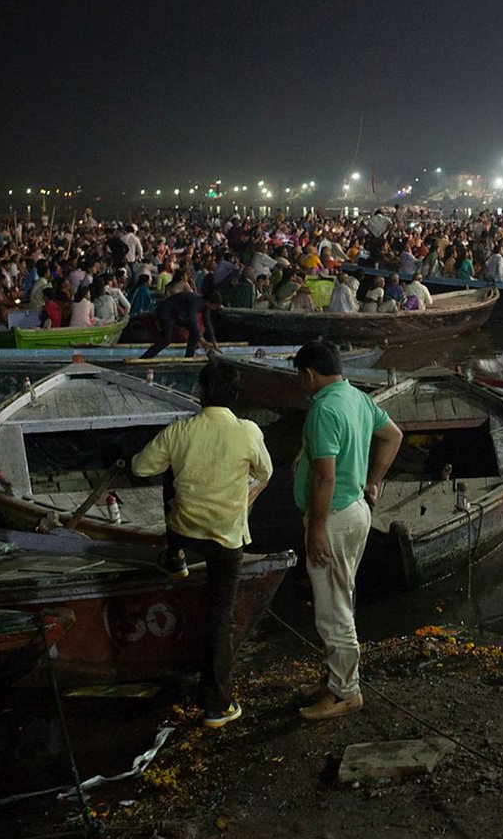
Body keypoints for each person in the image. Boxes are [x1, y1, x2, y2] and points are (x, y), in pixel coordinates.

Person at [130, 360, 272, 728]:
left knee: (168, 475)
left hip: (184, 530)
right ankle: (216, 706)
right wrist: (245, 496)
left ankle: (175, 556)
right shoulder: (248, 431)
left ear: (201, 392)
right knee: (220, 619)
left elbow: (140, 467)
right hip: (226, 538)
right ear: (235, 395)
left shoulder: (180, 431)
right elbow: (265, 473)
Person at [292, 340, 404, 720]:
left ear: (308, 374)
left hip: (335, 516)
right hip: (356, 509)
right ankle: (333, 677)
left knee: (332, 609)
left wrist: (316, 529)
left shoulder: (324, 409)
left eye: (300, 377)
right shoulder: (356, 397)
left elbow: (324, 477)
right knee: (341, 598)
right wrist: (373, 481)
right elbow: (394, 435)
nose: (300, 384)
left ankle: (345, 692)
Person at [141, 281, 220, 359]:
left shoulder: (206, 307)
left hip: (176, 314)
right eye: (215, 306)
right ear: (210, 302)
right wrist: (201, 340)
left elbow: (207, 324)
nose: (215, 309)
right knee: (166, 340)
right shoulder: (197, 301)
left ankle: (189, 357)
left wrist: (214, 342)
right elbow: (192, 319)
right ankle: (145, 358)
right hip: (166, 312)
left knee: (194, 333)